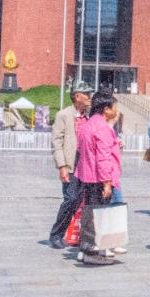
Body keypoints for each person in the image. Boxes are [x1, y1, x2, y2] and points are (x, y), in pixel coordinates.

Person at [72, 91, 123, 265]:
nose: (116, 110)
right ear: (106, 109)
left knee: (90, 213)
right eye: (114, 107)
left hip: (87, 175)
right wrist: (107, 182)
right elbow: (103, 158)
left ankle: (85, 249)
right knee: (98, 216)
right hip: (99, 178)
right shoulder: (102, 127)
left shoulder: (88, 124)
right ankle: (91, 252)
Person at [47, 82, 93, 249]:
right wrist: (62, 166)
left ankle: (77, 235)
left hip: (86, 166)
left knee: (82, 201)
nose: (89, 97)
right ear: (77, 96)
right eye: (86, 94)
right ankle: (56, 234)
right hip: (71, 165)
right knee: (71, 199)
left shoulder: (89, 116)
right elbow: (56, 142)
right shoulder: (64, 115)